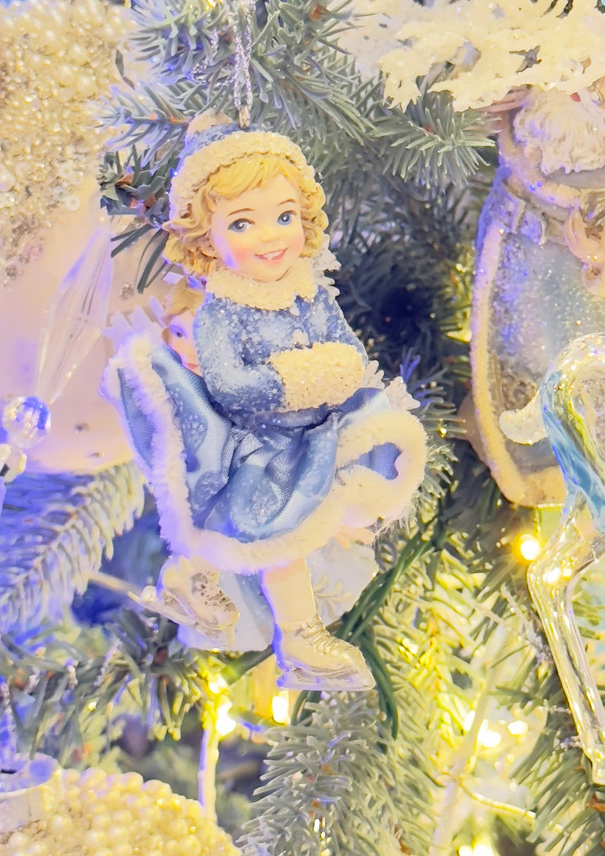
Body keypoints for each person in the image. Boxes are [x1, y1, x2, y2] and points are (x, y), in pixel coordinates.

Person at [106, 120, 426, 690]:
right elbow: (231, 386)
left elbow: (349, 351)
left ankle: (206, 583)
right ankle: (297, 635)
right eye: (241, 223)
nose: (271, 237)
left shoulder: (308, 290)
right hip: (265, 445)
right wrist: (300, 377)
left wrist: (335, 372)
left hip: (320, 426)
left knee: (375, 453)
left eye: (284, 216)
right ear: (208, 240)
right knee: (278, 534)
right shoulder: (222, 309)